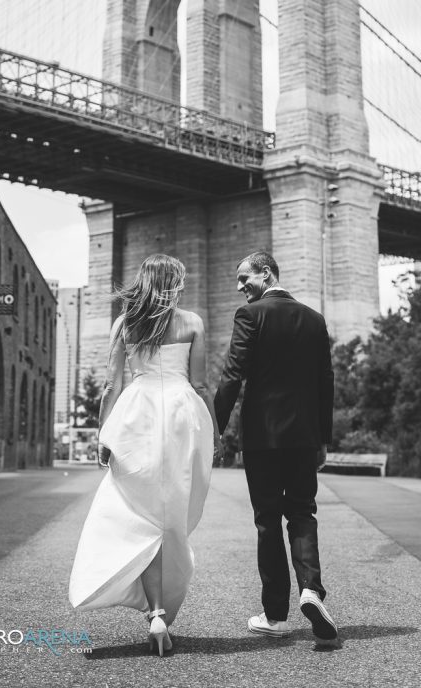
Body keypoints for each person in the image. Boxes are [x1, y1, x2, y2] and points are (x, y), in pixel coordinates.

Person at [69, 254, 222, 656]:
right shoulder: (192, 322)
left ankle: (155, 610)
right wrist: (217, 433)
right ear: (173, 282)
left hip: (136, 417)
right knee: (171, 517)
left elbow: (110, 385)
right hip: (181, 417)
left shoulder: (124, 323)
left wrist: (104, 433)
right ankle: (159, 608)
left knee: (142, 515)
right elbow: (202, 384)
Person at [213, 251, 338, 644]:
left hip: (263, 437)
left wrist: (214, 427)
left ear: (266, 274)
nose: (239, 286)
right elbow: (325, 383)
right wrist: (322, 438)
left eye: (244, 277)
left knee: (267, 520)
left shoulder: (250, 316)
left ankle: (276, 616)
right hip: (304, 436)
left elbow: (233, 374)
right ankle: (310, 590)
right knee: (302, 513)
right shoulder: (314, 319)